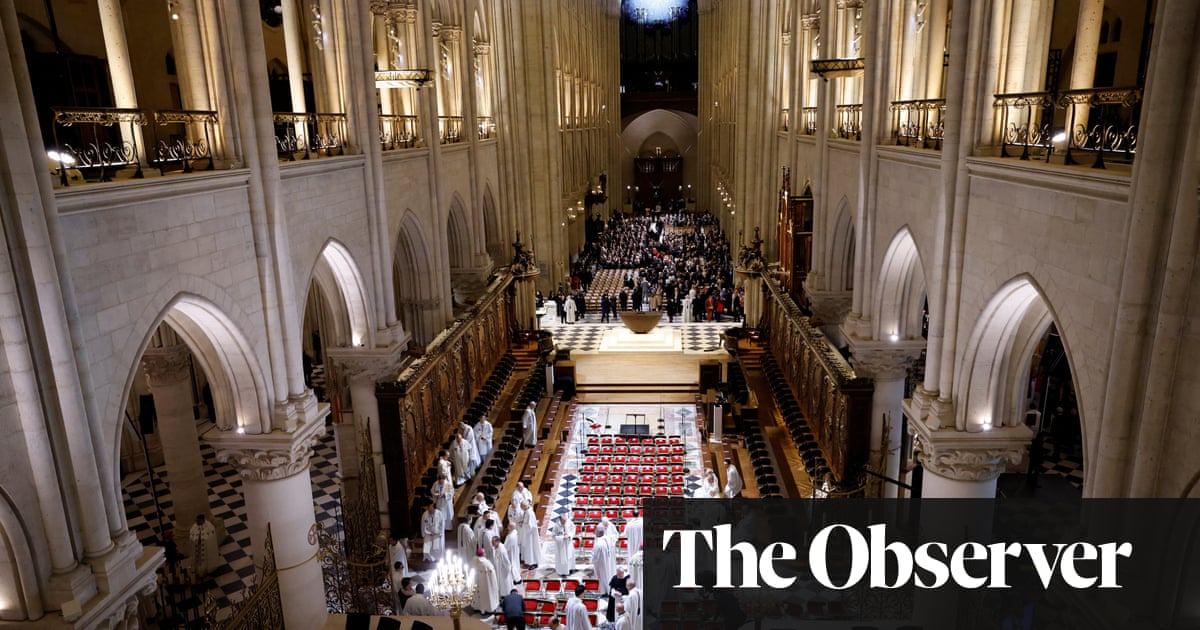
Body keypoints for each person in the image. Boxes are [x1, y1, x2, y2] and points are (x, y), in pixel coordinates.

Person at [188, 514, 218, 580]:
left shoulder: (209, 526)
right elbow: (191, 535)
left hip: (206, 549)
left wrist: (203, 539)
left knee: (204, 561)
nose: (197, 522)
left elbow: (211, 538)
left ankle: (206, 570)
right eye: (196, 521)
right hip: (197, 548)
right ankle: (197, 570)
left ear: (202, 520)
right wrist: (195, 539)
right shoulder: (194, 526)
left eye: (198, 521)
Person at [474, 546, 500, 614]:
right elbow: (492, 574)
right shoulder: (486, 563)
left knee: (480, 596)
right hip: (486, 583)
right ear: (483, 554)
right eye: (484, 552)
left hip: (478, 582)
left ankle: (479, 608)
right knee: (487, 595)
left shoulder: (475, 560)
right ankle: (488, 608)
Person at [591, 525, 615, 596]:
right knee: (608, 576)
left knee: (602, 577)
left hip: (601, 564)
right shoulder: (607, 539)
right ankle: (608, 590)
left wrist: (591, 560)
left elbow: (595, 556)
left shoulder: (598, 544)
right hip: (608, 561)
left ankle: (603, 592)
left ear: (598, 533)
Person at [517, 501, 542, 568]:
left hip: (530, 535)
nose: (521, 508)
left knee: (531, 548)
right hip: (528, 534)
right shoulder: (527, 512)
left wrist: (522, 524)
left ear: (525, 506)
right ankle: (530, 561)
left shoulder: (529, 513)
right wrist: (523, 522)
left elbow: (531, 526)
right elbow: (527, 521)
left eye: (521, 506)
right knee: (529, 548)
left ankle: (533, 562)